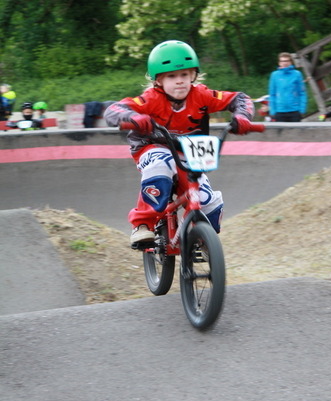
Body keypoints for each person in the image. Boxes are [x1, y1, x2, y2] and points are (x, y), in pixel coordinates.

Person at [104, 40, 255, 247]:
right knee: (162, 164)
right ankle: (143, 224)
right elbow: (114, 110)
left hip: (191, 151)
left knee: (209, 201)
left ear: (193, 75)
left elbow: (240, 98)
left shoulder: (201, 95)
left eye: (184, 74)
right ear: (158, 80)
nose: (179, 81)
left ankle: (197, 235)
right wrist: (133, 117)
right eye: (171, 76)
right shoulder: (150, 99)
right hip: (153, 146)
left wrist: (242, 116)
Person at [268, 52, 307, 122]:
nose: (285, 63)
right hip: (279, 111)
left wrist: (302, 110)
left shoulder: (297, 74)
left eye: (287, 61)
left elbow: (302, 93)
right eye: (282, 61)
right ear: (279, 63)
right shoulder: (274, 75)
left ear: (290, 62)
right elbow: (272, 94)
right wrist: (273, 111)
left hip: (295, 111)